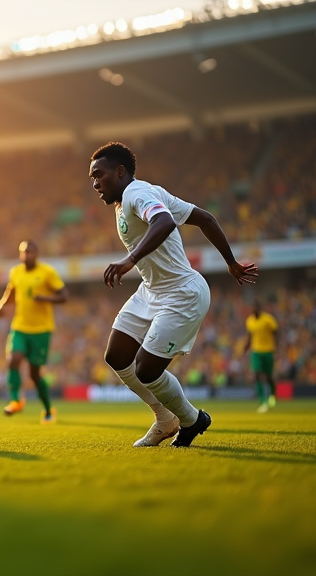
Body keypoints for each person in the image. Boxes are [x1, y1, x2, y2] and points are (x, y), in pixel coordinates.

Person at [89, 142, 258, 447]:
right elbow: (205, 218)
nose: (95, 183)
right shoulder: (143, 193)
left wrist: (129, 260)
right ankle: (165, 419)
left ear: (120, 171)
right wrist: (231, 263)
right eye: (92, 178)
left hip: (182, 293)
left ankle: (192, 420)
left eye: (99, 175)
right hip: (151, 291)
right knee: (116, 356)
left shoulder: (137, 194)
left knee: (146, 369)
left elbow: (164, 222)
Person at [0, 240, 69, 423]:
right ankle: (15, 401)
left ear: (37, 253)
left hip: (41, 330)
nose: (27, 255)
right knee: (13, 360)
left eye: (30, 252)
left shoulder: (47, 272)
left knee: (34, 375)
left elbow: (64, 296)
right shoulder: (15, 272)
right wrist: (1, 305)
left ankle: (47, 408)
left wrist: (44, 298)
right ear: (20, 254)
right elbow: (11, 291)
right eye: (24, 252)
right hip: (19, 327)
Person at [245, 300, 278, 413]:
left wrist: (277, 346)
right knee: (257, 374)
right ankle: (262, 401)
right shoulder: (250, 321)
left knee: (268, 376)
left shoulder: (268, 320)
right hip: (256, 351)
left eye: (255, 308)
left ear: (259, 308)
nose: (253, 310)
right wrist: (246, 346)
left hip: (268, 351)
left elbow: (276, 333)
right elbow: (250, 335)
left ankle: (272, 394)